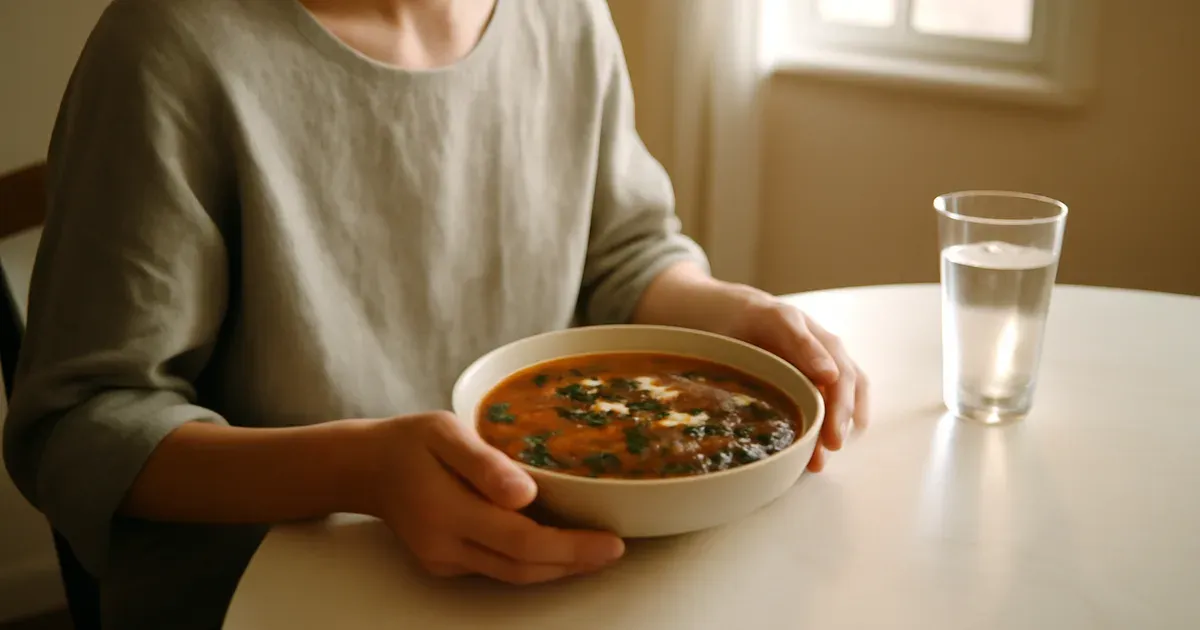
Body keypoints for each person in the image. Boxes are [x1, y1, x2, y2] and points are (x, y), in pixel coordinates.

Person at [1, 0, 869, 627]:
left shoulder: (563, 16)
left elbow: (623, 256)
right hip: (268, 592)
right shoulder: (169, 48)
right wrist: (359, 472)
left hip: (545, 572)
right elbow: (78, 429)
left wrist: (725, 314)